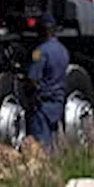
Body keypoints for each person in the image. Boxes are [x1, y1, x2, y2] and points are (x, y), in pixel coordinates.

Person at [25, 13, 69, 149]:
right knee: (54, 141)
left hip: (43, 104)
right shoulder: (63, 50)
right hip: (58, 101)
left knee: (41, 144)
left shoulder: (40, 52)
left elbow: (33, 78)